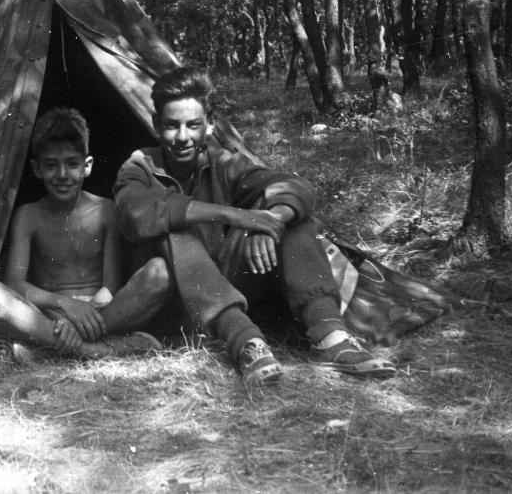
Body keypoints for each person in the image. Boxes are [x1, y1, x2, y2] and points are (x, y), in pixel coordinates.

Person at [114, 66, 396, 388]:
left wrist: (270, 222)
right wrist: (233, 216)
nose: (182, 137)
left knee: (293, 219)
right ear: (155, 125)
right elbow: (137, 213)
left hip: (222, 288)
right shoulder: (139, 165)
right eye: (171, 126)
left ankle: (329, 334)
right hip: (174, 300)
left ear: (209, 125)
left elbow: (289, 184)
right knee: (175, 230)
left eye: (193, 125)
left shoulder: (223, 162)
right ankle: (245, 342)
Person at [0, 107, 170, 358]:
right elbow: (15, 283)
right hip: (48, 315)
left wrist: (86, 313)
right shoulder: (29, 215)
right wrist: (65, 306)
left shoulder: (106, 210)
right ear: (36, 169)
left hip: (101, 314)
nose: (63, 175)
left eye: (72, 164)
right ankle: (94, 350)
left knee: (160, 272)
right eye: (51, 165)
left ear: (87, 166)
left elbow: (111, 286)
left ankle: (47, 350)